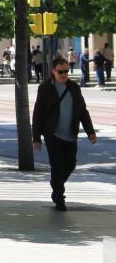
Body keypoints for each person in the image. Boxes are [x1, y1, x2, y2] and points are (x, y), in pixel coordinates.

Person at [32, 57, 98, 211]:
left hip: (70, 133)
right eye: (60, 71)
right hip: (52, 133)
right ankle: (59, 199)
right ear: (53, 71)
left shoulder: (74, 87)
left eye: (66, 71)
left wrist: (90, 132)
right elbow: (38, 114)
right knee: (57, 165)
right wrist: (36, 138)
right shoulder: (45, 88)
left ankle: (56, 184)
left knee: (70, 163)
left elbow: (82, 111)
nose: (64, 74)